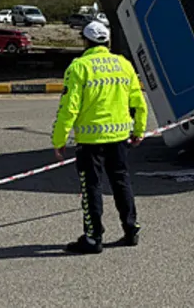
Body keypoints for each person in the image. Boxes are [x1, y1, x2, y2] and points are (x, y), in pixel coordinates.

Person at [52, 20, 150, 253]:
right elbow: (138, 103)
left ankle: (93, 238)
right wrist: (139, 130)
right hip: (119, 138)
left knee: (91, 187)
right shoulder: (123, 64)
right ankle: (131, 230)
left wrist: (59, 140)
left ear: (85, 42)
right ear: (107, 41)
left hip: (90, 141)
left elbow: (68, 108)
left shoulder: (79, 67)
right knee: (121, 181)